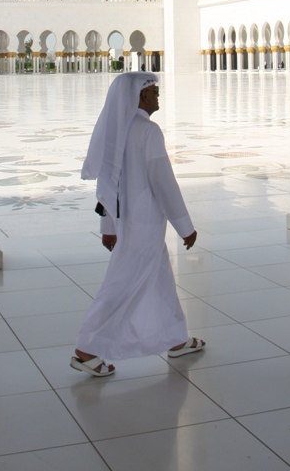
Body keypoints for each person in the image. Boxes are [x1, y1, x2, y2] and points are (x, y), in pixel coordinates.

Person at [70, 71, 204, 377]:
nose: (157, 96)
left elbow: (107, 184)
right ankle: (86, 350)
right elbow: (163, 182)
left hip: (127, 221)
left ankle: (175, 338)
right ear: (140, 96)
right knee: (121, 285)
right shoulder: (148, 131)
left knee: (160, 278)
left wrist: (108, 226)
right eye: (153, 91)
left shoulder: (118, 132)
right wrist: (185, 226)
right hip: (143, 224)